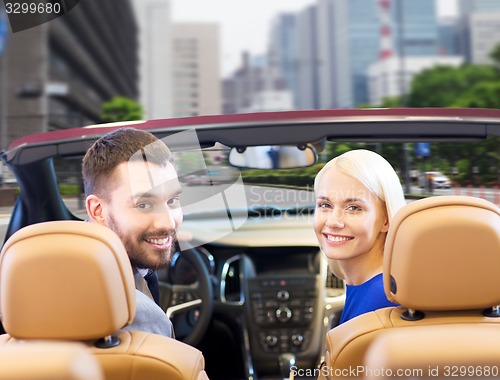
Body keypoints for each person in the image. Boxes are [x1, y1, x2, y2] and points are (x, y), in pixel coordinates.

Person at [82, 127, 182, 337]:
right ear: (97, 211)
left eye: (172, 201)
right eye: (144, 205)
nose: (168, 222)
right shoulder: (133, 315)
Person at [313, 149, 406, 324]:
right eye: (325, 205)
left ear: (386, 219)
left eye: (354, 208)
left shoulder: (383, 301)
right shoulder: (377, 287)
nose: (333, 221)